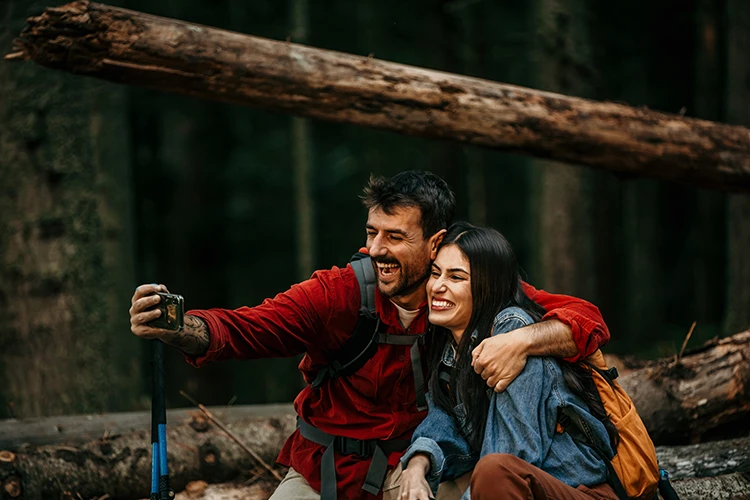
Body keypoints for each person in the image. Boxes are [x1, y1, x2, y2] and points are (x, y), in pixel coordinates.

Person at [129, 170, 612, 500]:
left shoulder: (468, 293)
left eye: (394, 237)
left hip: (422, 468)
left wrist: (520, 341)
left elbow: (585, 319)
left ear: (436, 242)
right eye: (372, 232)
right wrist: (178, 327)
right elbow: (247, 329)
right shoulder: (337, 294)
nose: (375, 249)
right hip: (328, 471)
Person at [398, 221, 618, 500]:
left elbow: (511, 455)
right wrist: (417, 464)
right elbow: (445, 419)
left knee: (492, 469)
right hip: (519, 489)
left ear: (488, 286)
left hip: (579, 492)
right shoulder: (450, 345)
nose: (438, 286)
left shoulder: (511, 331)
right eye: (435, 273)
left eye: (456, 277)